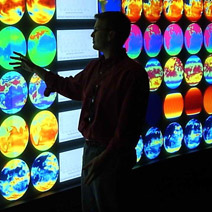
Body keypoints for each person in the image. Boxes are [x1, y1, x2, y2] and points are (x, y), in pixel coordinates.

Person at [10, 11, 149, 211]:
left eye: (96, 30)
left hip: (112, 157)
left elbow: (128, 128)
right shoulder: (95, 67)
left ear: (111, 35)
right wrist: (35, 69)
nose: (92, 35)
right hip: (92, 152)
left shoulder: (132, 74)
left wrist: (104, 158)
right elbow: (70, 86)